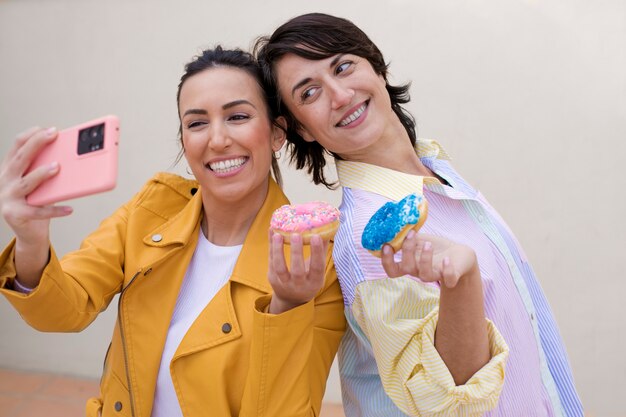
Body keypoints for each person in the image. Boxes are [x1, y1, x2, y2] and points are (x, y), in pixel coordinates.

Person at [255, 12, 583, 417]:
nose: (339, 95)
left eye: (343, 66)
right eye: (309, 94)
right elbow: (444, 402)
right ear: (301, 129)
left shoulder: (436, 172)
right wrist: (460, 285)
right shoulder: (368, 239)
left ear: (376, 66)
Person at [0, 46, 346, 417]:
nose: (217, 139)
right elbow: (60, 313)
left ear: (277, 133)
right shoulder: (151, 210)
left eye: (238, 116)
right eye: (196, 123)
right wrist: (32, 239)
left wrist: (287, 307)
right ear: (184, 140)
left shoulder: (314, 261)